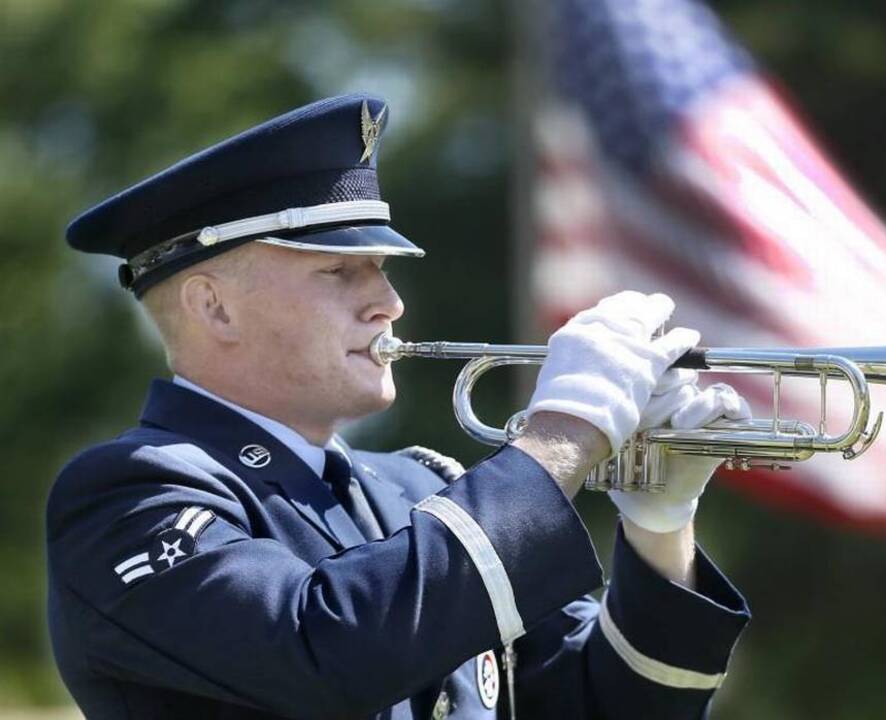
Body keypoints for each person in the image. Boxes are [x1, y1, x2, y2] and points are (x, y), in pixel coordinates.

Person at [47, 94, 752, 719]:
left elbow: (606, 706)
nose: (389, 302)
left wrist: (661, 527)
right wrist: (566, 430)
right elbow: (326, 652)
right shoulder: (130, 494)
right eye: (338, 271)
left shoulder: (420, 489)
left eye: (381, 269)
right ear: (215, 307)